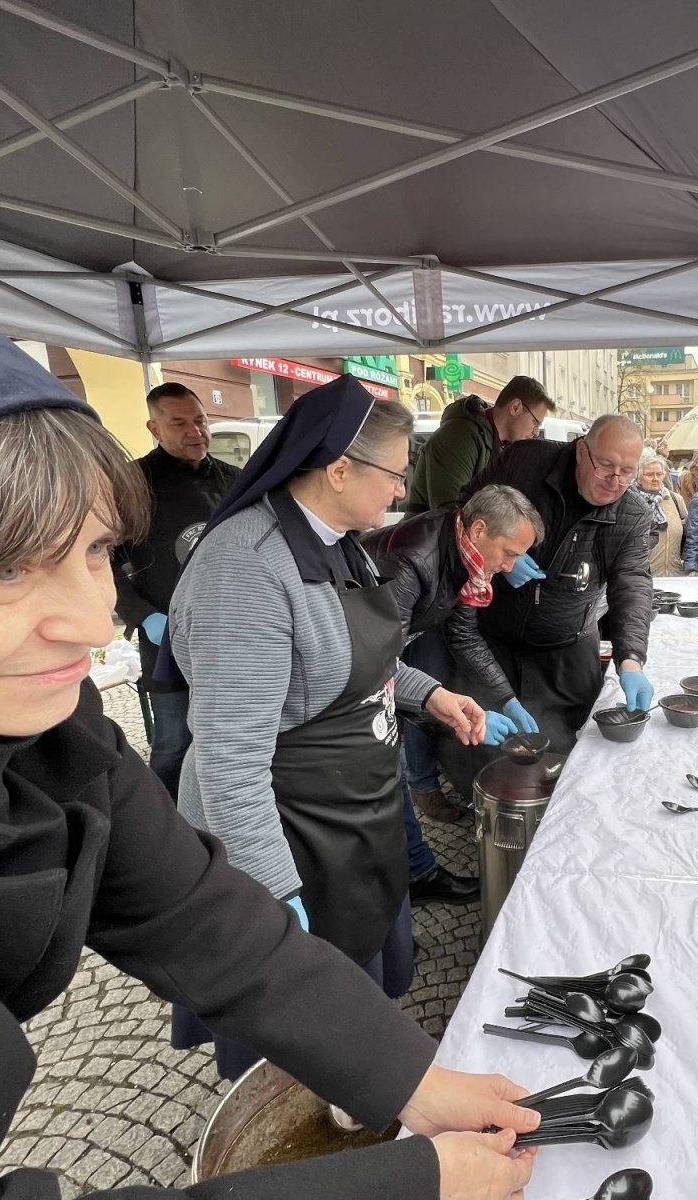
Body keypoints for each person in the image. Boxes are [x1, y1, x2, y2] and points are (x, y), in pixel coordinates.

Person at [0, 268, 536, 1200]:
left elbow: (193, 911)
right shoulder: (244, 567)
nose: (96, 619)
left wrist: (410, 1080)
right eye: (6, 567)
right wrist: (410, 1183)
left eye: (99, 550)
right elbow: (228, 754)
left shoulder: (53, 742)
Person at [167, 381, 499, 1079]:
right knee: (299, 1030)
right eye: (395, 473)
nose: (403, 490)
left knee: (361, 1005)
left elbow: (356, 662)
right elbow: (229, 761)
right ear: (340, 469)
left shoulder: (344, 543)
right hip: (296, 835)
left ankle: (357, 1086)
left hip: (356, 818)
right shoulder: (248, 568)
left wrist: (431, 695)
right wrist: (269, 892)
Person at [362, 486, 544, 905]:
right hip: (356, 664)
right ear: (479, 529)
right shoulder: (411, 560)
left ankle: (415, 869)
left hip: (388, 650)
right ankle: (404, 882)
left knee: (392, 762)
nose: (511, 566)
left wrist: (506, 698)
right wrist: (440, 711)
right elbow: (376, 664)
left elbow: (463, 634)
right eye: (510, 552)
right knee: (386, 763)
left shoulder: (469, 556)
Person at [444, 414, 655, 764]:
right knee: (486, 746)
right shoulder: (524, 461)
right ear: (581, 450)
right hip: (495, 637)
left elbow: (632, 584)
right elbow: (465, 512)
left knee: (565, 748)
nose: (614, 482)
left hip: (567, 648)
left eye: (627, 472)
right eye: (605, 466)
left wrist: (631, 661)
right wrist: (495, 564)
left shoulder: (633, 514)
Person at [111, 382, 239, 796]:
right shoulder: (130, 484)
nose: (194, 431)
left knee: (232, 738)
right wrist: (141, 616)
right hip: (165, 639)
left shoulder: (235, 480)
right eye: (179, 423)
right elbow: (99, 562)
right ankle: (167, 833)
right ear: (154, 427)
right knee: (172, 743)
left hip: (230, 636)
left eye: (199, 420)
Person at [405, 375, 554, 514]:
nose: (536, 432)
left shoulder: (501, 446)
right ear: (515, 407)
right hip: (426, 539)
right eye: (535, 422)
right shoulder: (458, 437)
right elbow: (451, 513)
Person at [634, 451, 689, 577]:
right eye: (649, 474)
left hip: (675, 575)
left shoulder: (675, 500)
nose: (655, 478)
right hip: (642, 578)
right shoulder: (632, 501)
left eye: (659, 474)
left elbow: (688, 535)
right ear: (639, 476)